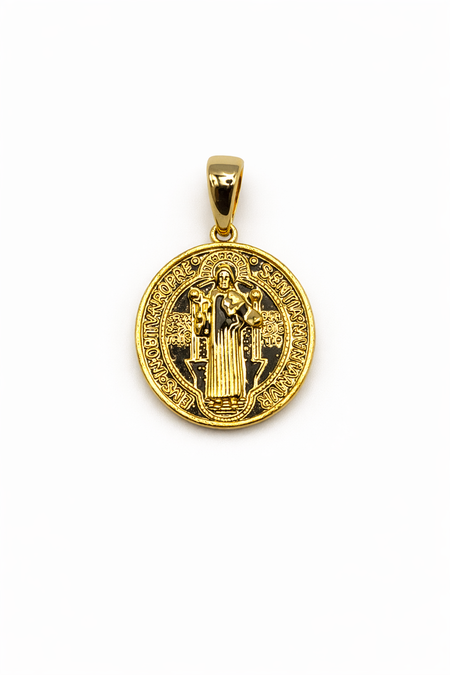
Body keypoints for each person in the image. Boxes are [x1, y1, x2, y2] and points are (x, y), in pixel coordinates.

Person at [189, 263, 263, 410]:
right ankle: (216, 396)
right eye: (221, 277)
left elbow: (247, 314)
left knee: (232, 364)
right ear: (217, 279)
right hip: (216, 339)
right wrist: (200, 316)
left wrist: (252, 319)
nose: (223, 280)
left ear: (231, 279)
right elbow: (205, 316)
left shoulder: (235, 296)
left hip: (231, 336)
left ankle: (233, 396)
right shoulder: (212, 296)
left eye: (226, 277)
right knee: (217, 365)